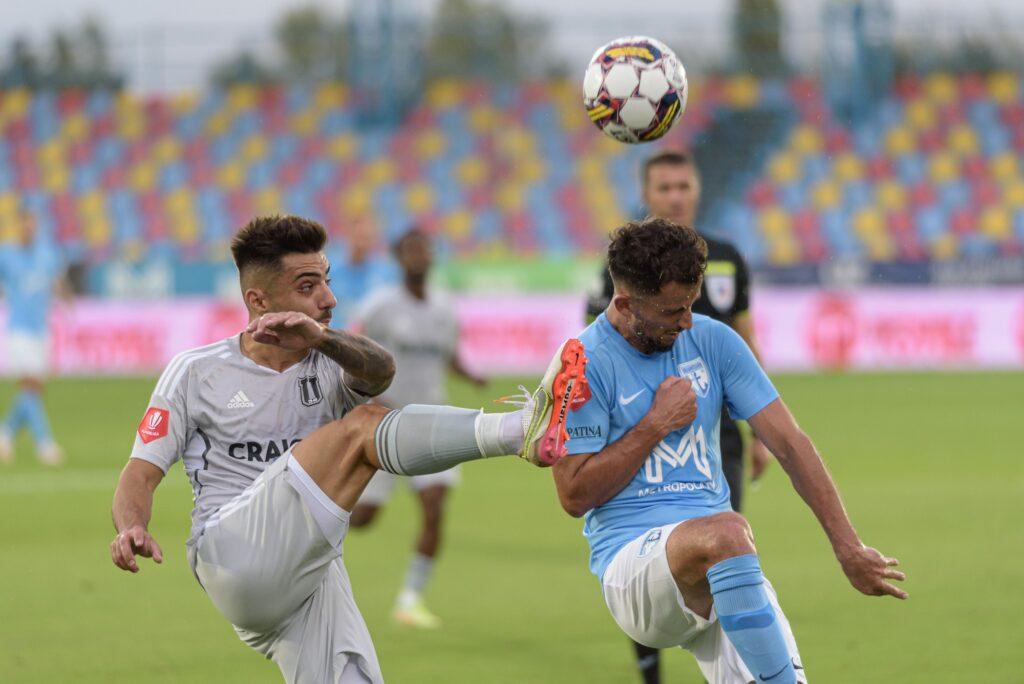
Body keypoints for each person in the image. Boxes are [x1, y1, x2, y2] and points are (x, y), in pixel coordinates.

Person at [109, 215, 590, 684]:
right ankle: (520, 429)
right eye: (307, 286)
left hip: (310, 569)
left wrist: (322, 338)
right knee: (362, 428)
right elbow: (140, 472)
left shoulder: (329, 362)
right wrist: (132, 525)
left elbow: (381, 371)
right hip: (232, 553)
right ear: (258, 300)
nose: (328, 298)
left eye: (327, 281)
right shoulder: (195, 371)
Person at [557, 218, 906, 684]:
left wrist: (849, 548)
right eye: (673, 310)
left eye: (691, 305)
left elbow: (790, 444)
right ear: (625, 304)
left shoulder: (714, 341)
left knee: (728, 541)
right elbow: (574, 495)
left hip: (721, 567)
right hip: (634, 570)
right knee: (729, 530)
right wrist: (655, 425)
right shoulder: (582, 364)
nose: (687, 320)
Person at [584, 151, 772, 683]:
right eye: (664, 187)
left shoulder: (727, 258)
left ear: (697, 189)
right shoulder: (619, 269)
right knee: (646, 551)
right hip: (640, 428)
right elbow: (591, 347)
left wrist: (759, 433)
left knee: (723, 543)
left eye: (683, 186)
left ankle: (733, 668)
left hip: (716, 433)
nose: (675, 196)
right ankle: (652, 672)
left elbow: (746, 337)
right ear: (648, 195)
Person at [349, 227, 486, 629]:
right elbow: (353, 350)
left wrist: (471, 375)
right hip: (385, 422)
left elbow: (447, 356)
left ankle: (410, 599)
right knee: (362, 517)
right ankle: (303, 531)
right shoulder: (380, 305)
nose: (419, 256)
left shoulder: (444, 307)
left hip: (432, 423)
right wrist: (368, 397)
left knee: (434, 505)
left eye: (424, 249)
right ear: (398, 258)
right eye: (411, 250)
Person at [0, 207, 68, 466]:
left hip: (40, 329)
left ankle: (5, 433)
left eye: (32, 224)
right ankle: (45, 444)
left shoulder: (46, 254)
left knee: (35, 390)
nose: (28, 229)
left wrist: (66, 298)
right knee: (28, 384)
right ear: (18, 227)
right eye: (24, 224)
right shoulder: (6, 255)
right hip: (19, 329)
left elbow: (56, 282)